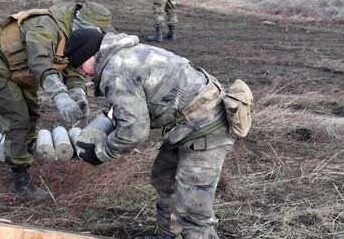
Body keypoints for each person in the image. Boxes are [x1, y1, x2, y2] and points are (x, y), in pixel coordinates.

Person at [64, 28, 243, 239]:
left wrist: (101, 152)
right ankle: (165, 235)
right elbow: (130, 107)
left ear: (90, 54)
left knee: (193, 204)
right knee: (164, 179)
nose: (83, 73)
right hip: (186, 125)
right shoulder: (123, 54)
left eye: (79, 65)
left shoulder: (117, 70)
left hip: (207, 127)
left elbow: (135, 130)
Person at [0, 3, 115, 198]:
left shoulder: (75, 34)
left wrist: (77, 94)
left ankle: (23, 154)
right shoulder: (45, 27)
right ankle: (20, 181)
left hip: (24, 71)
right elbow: (39, 62)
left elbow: (71, 65)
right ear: (82, 25)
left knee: (31, 114)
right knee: (18, 119)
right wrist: (60, 97)